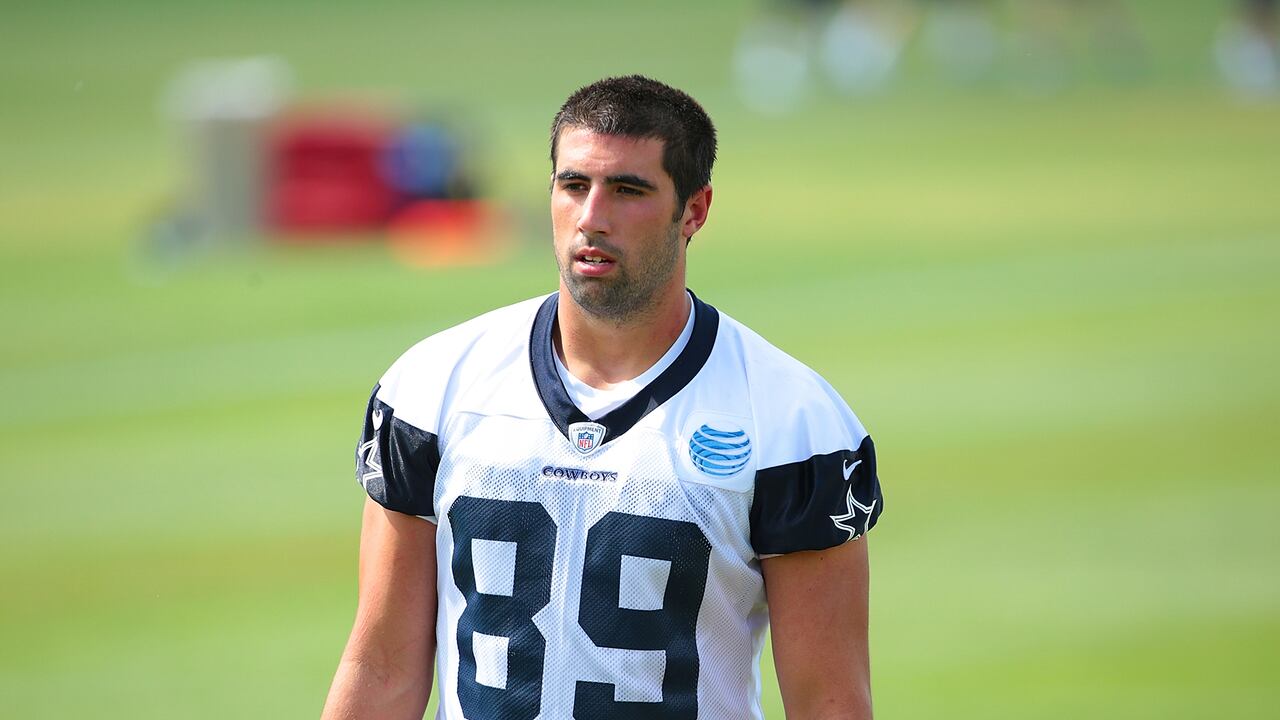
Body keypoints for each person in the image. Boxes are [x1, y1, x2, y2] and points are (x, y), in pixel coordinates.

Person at [321, 75, 884, 720]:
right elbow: (381, 665)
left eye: (628, 190)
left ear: (694, 211)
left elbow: (830, 702)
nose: (592, 217)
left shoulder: (793, 422)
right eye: (573, 185)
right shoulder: (433, 384)